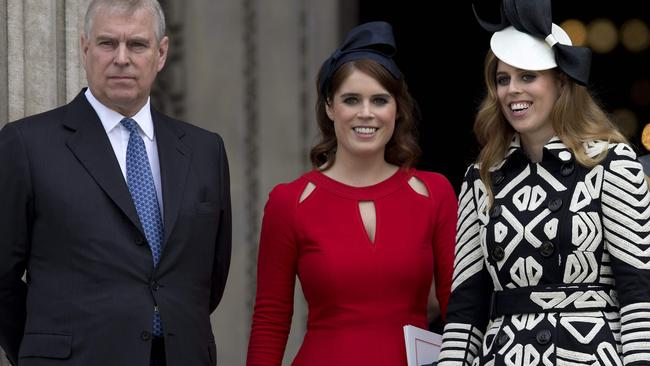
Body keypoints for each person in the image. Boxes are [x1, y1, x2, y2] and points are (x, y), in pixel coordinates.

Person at [0, 0, 231, 365]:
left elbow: (209, 278)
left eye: (137, 44)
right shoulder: (27, 145)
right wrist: (43, 351)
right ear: (85, 48)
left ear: (161, 53)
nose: (122, 57)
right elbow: (3, 280)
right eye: (108, 43)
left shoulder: (206, 151)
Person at [438, 0, 650, 365]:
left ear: (561, 81)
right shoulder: (481, 176)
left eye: (528, 76)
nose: (512, 90)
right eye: (503, 79)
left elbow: (638, 293)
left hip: (589, 354)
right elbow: (465, 309)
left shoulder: (612, 162)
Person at [246, 21, 456, 366]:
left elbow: (458, 310)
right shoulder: (290, 202)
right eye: (351, 99)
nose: (366, 113)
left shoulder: (434, 193)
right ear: (330, 107)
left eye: (380, 100)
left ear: (397, 109)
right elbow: (271, 319)